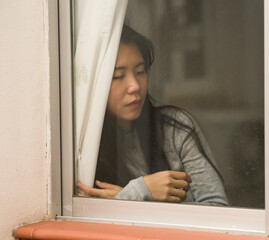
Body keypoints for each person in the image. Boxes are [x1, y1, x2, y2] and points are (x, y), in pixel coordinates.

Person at [77, 24, 229, 206]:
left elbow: (218, 208)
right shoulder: (81, 148)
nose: (135, 86)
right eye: (118, 76)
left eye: (140, 71)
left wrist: (138, 197)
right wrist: (141, 191)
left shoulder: (175, 128)